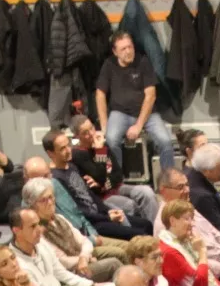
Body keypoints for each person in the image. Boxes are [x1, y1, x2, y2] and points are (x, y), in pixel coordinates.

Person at [95, 32, 176, 173]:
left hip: (147, 114)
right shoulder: (109, 65)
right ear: (115, 52)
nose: (128, 51)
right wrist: (103, 125)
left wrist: (138, 126)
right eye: (123, 49)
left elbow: (151, 96)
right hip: (119, 112)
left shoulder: (143, 62)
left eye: (130, 47)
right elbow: (100, 94)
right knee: (111, 140)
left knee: (165, 142)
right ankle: (115, 180)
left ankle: (169, 180)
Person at [44, 128, 143, 240]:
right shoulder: (55, 179)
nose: (68, 150)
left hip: (101, 212)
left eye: (68, 145)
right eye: (63, 148)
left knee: (146, 224)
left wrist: (107, 211)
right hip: (93, 223)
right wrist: (106, 217)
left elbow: (90, 194)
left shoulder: (71, 166)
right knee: (139, 233)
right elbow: (78, 210)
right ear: (50, 153)